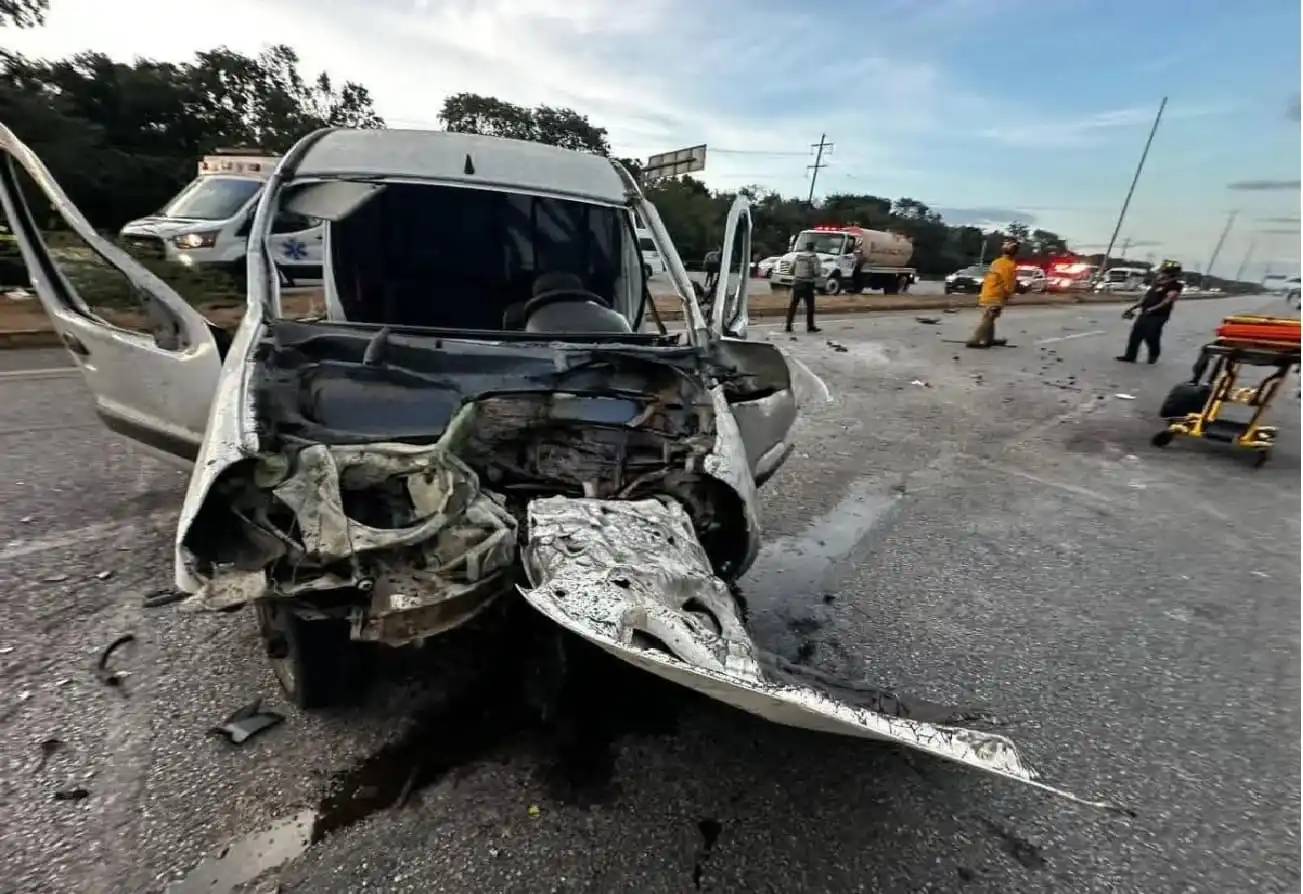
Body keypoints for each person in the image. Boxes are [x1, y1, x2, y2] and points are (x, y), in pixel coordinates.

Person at [1116, 261, 1183, 364]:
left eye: (1162, 272)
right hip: (1145, 312)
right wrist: (1133, 308)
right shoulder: (1157, 283)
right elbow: (1146, 297)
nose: (1160, 274)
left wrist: (1153, 309)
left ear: (1169, 274)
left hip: (1158, 315)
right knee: (1136, 334)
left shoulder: (1175, 285)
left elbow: (1167, 300)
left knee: (1151, 336)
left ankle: (1153, 355)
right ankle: (1130, 356)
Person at [966, 239, 1020, 348]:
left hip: (988, 291)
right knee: (989, 317)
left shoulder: (997, 262)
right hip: (997, 294)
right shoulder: (1010, 265)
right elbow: (1008, 283)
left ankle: (989, 338)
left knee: (990, 317)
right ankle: (975, 339)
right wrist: (1008, 295)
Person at [786, 240, 822, 333]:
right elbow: (817, 272)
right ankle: (810, 326)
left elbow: (790, 270)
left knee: (793, 305)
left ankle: (788, 325)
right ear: (813, 248)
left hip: (797, 282)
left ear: (806, 248)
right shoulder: (814, 258)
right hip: (808, 283)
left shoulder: (798, 257)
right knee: (810, 306)